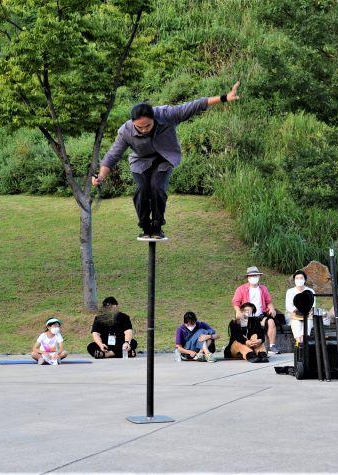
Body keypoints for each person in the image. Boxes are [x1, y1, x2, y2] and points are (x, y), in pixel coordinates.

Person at [93, 82, 241, 239]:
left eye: (147, 126)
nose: (143, 130)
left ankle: (157, 226)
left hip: (165, 157)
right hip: (140, 161)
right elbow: (112, 155)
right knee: (143, 188)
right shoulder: (126, 131)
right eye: (139, 128)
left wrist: (225, 97)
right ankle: (145, 226)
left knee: (157, 187)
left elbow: (195, 105)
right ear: (133, 123)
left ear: (154, 118)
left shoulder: (167, 114)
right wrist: (101, 176)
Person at [231, 266, 282, 354]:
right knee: (243, 329)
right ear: (247, 277)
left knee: (271, 322)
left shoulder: (263, 289)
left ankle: (272, 346)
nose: (253, 278)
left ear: (259, 277)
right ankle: (245, 346)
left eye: (255, 275)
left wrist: (272, 309)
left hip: (260, 316)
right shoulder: (241, 289)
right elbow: (236, 302)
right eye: (251, 276)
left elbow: (268, 301)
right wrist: (238, 311)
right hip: (246, 316)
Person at [285, 270, 317, 343]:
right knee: (296, 325)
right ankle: (299, 344)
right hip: (294, 315)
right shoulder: (290, 291)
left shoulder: (310, 291)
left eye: (301, 278)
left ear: (305, 279)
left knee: (307, 325)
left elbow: (313, 305)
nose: (299, 280)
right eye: (297, 278)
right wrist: (298, 311)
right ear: (294, 280)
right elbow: (289, 307)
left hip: (307, 315)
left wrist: (305, 311)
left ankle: (302, 343)